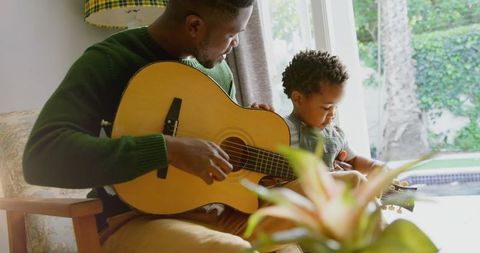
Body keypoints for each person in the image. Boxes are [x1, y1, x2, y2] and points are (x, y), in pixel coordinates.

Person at [23, 1, 299, 252]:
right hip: (130, 220)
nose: (236, 43)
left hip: (216, 215)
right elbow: (41, 156)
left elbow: (221, 166)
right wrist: (166, 149)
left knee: (321, 216)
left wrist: (260, 160)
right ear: (194, 26)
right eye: (230, 34)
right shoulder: (108, 61)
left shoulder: (219, 71)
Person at [282, 50, 384, 185]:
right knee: (355, 178)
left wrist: (374, 167)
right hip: (295, 194)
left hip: (326, 198)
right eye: (326, 108)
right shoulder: (281, 128)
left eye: (335, 107)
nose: (332, 113)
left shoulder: (334, 133)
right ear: (298, 98)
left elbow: (353, 160)